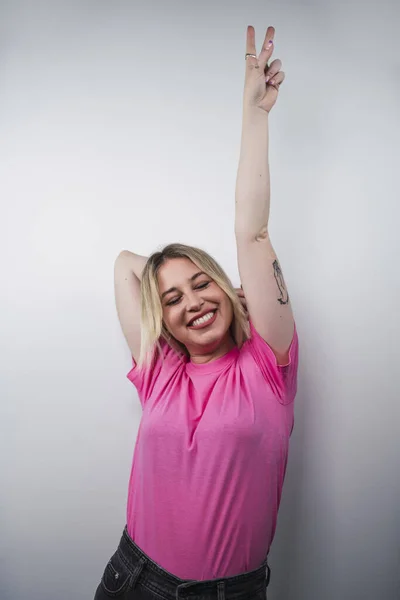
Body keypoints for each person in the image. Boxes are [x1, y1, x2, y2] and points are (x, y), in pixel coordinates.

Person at [94, 24, 299, 600]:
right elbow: (123, 264)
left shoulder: (267, 364)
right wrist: (165, 264)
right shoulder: (160, 374)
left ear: (230, 286)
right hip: (129, 578)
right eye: (172, 300)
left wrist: (253, 114)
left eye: (200, 282)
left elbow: (252, 230)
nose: (192, 302)